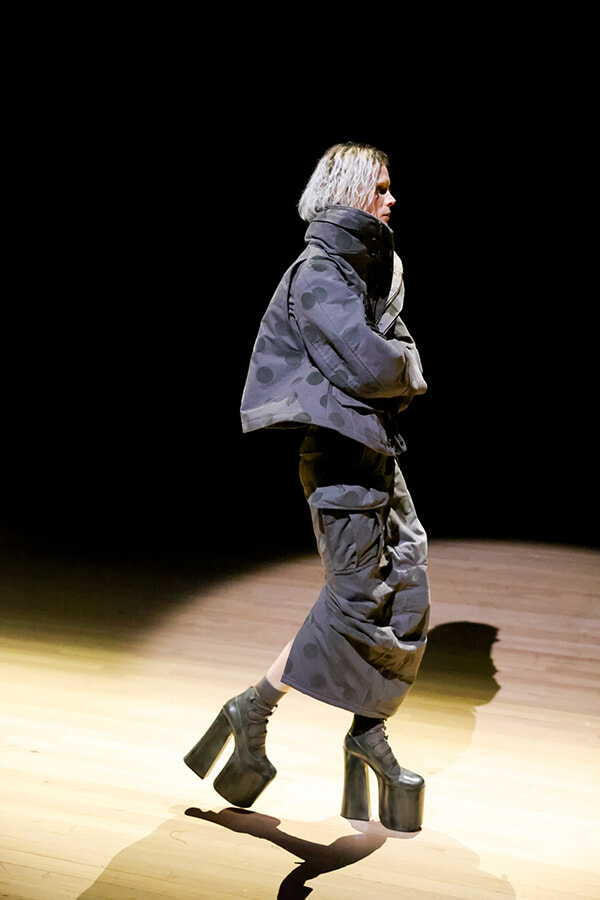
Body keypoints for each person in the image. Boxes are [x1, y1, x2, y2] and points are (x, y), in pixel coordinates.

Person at [184, 143, 431, 832]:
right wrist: (405, 368)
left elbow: (397, 352)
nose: (391, 199)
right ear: (350, 191)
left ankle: (367, 732)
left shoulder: (367, 271)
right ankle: (255, 707)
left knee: (407, 586)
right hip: (341, 456)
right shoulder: (319, 273)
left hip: (376, 449)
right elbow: (378, 366)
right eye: (380, 187)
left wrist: (400, 363)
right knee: (354, 601)